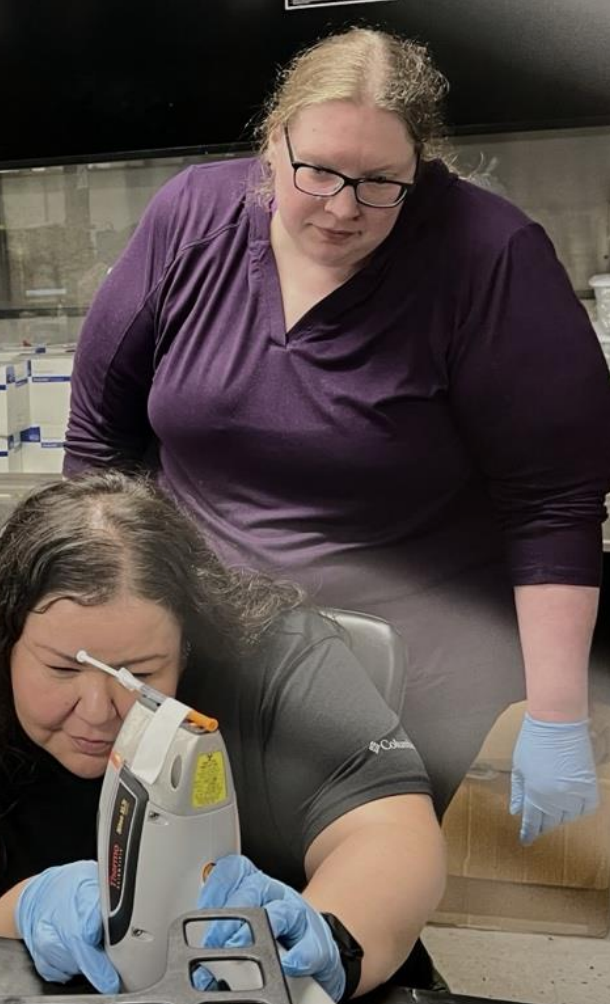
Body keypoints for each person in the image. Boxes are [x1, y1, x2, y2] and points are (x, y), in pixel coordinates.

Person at [64, 27, 610, 835]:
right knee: (177, 859)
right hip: (203, 635)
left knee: (344, 880)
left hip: (409, 664)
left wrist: (557, 714)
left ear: (422, 165)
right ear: (271, 144)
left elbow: (554, 501)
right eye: (316, 171)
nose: (343, 206)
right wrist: (92, 622)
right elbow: (98, 447)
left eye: (381, 180)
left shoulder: (491, 258)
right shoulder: (191, 220)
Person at [0, 473, 446, 1001]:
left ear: (189, 643)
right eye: (60, 669)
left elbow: (392, 832)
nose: (99, 711)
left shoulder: (277, 662)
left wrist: (318, 947)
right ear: (1, 641)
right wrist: (23, 913)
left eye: (142, 674)